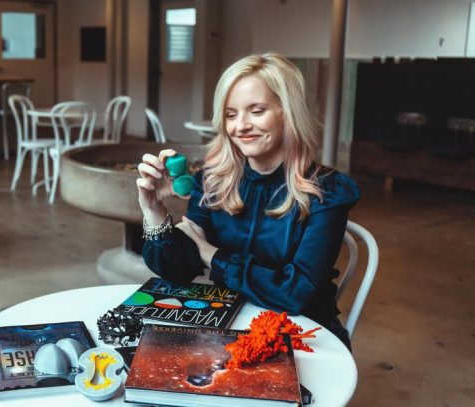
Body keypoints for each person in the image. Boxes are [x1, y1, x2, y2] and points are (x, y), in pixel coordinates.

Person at [136, 53, 360, 349]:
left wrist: (211, 254)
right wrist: (153, 210)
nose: (240, 126)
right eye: (231, 114)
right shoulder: (213, 180)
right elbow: (180, 269)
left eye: (256, 111)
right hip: (228, 323)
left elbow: (296, 293)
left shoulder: (326, 190)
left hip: (302, 332)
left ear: (287, 112)